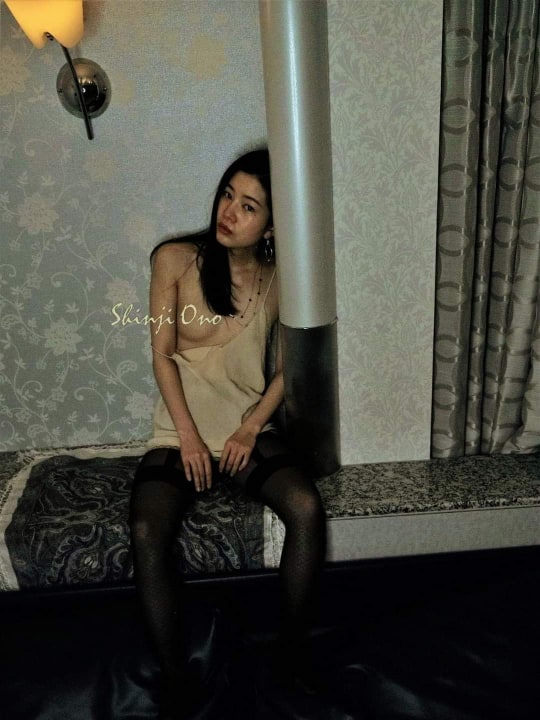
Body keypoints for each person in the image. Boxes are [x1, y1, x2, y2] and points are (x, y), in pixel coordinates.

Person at [129, 149, 326, 719]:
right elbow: (162, 354)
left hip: (244, 430)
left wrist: (250, 427)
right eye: (227, 195)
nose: (229, 212)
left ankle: (288, 656)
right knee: (145, 528)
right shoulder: (174, 259)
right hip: (180, 433)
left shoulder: (282, 278)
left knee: (306, 508)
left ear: (272, 226)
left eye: (249, 206)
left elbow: (289, 370)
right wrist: (190, 439)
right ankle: (176, 680)